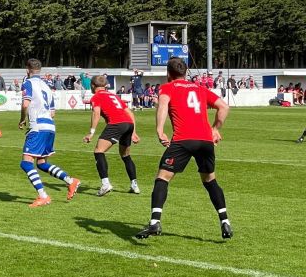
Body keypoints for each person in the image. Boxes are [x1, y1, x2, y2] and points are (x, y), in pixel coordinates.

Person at [135, 57, 232, 240]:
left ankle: (155, 222)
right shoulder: (200, 88)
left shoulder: (167, 87)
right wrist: (215, 129)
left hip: (183, 140)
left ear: (168, 73)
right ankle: (225, 221)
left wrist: (159, 130)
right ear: (186, 72)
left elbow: (163, 106)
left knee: (162, 178)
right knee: (210, 180)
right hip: (205, 141)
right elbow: (224, 107)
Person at [18, 59, 81, 208]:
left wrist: (22, 120)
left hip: (38, 126)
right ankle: (71, 181)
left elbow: (25, 104)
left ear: (27, 70)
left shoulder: (28, 83)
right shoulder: (47, 86)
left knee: (26, 163)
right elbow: (53, 113)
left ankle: (43, 196)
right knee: (41, 163)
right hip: (50, 126)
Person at [84, 76, 141, 196]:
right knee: (125, 155)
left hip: (117, 124)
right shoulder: (114, 95)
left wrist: (91, 132)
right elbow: (130, 113)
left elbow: (96, 114)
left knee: (98, 151)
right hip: (128, 124)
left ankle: (105, 184)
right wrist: (134, 132)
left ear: (93, 86)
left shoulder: (96, 96)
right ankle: (134, 185)